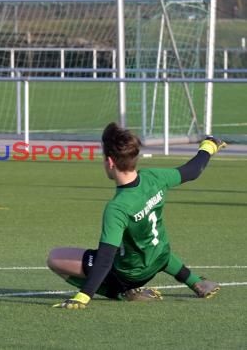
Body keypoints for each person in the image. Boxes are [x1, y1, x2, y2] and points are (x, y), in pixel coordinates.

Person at [47, 122, 226, 309]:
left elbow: (105, 259)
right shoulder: (154, 177)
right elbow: (193, 171)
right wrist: (209, 146)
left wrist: (83, 296)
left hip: (129, 275)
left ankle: (122, 293)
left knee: (54, 257)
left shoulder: (117, 208)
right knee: (149, 244)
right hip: (161, 256)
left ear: (110, 162)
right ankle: (196, 282)